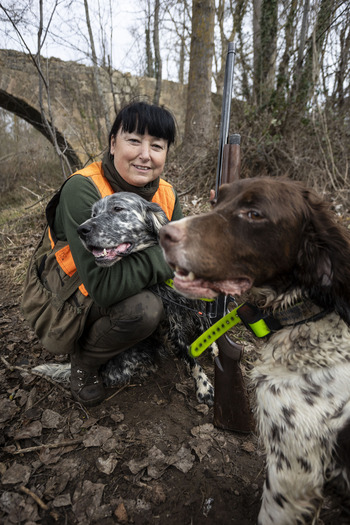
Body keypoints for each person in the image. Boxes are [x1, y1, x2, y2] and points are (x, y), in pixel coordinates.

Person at [48, 101, 183, 406]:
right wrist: (172, 255)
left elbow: (187, 263)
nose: (145, 155)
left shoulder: (167, 195)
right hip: (72, 295)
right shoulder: (83, 189)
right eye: (133, 141)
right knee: (144, 308)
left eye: (157, 146)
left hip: (118, 283)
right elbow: (105, 287)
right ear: (112, 144)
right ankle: (84, 363)